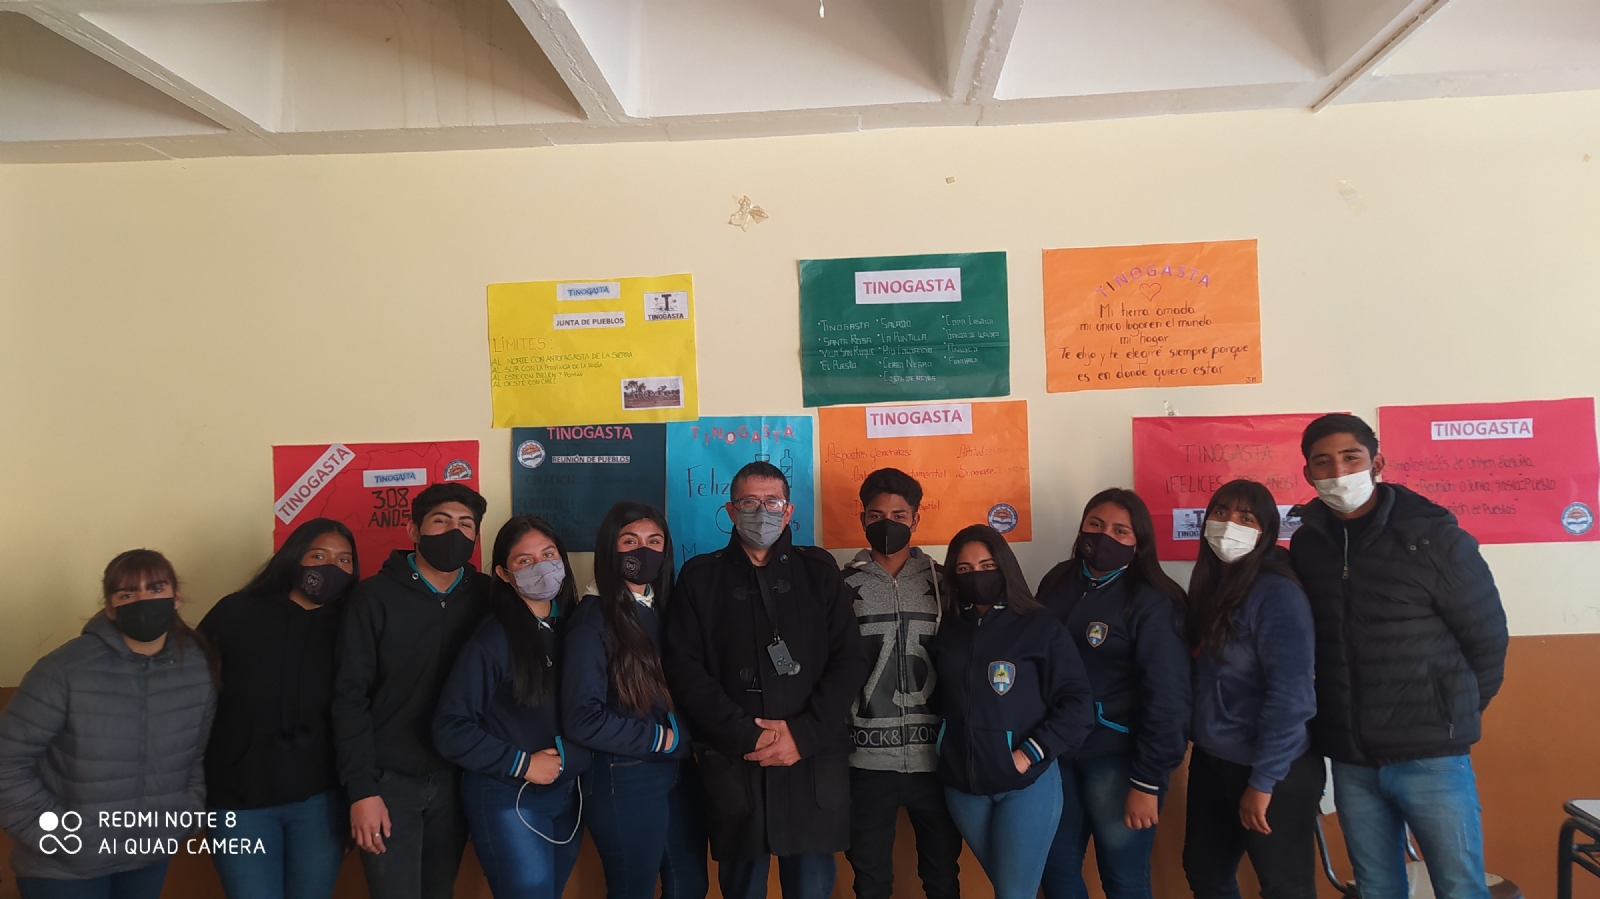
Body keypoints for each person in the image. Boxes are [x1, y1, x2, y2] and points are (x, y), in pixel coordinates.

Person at [1291, 414, 1508, 899]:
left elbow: (1487, 640)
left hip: (1432, 755)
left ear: (1377, 463)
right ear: (1308, 473)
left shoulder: (1434, 538)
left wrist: (1450, 713)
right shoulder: (1308, 545)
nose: (1338, 472)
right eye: (1323, 462)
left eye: (1351, 457)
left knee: (1459, 887)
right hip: (1351, 758)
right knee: (1376, 887)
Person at [665, 461, 868, 899]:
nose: (762, 512)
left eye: (772, 502)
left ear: (789, 510)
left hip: (811, 761)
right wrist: (745, 734)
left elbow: (849, 661)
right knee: (742, 889)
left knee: (812, 888)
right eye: (749, 502)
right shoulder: (699, 577)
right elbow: (684, 668)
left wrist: (803, 735)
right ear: (731, 510)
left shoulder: (819, 571)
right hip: (736, 759)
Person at [0, 549, 217, 899]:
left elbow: (196, 756)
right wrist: (60, 835)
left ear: (176, 596)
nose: (143, 601)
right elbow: (7, 763)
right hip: (63, 870)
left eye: (156, 588)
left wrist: (182, 818)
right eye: (128, 594)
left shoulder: (195, 667)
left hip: (147, 858)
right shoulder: (63, 670)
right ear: (110, 607)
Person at [332, 483, 492, 899]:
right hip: (388, 782)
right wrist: (362, 790)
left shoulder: (488, 595)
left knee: (440, 891)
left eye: (466, 524)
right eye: (441, 521)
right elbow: (349, 698)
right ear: (413, 530)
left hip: (457, 777)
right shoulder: (373, 597)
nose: (454, 532)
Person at [1035, 488, 1191, 899]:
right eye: (1096, 524)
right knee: (1055, 872)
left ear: (1139, 542)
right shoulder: (1057, 580)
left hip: (1119, 761)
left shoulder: (1154, 600)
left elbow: (1169, 698)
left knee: (1123, 880)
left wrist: (1147, 782)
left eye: (1121, 530)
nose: (1105, 536)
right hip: (1057, 754)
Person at [930, 525, 1094, 899]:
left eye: (987, 565)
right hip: (964, 788)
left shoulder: (1040, 626)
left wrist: (1026, 755)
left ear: (1004, 566)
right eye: (965, 569)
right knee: (1011, 889)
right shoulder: (949, 629)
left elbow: (1077, 705)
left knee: (1014, 892)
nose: (976, 576)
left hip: (1026, 783)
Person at [199, 518, 360, 899]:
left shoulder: (352, 625)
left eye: (343, 560)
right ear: (292, 557)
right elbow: (189, 694)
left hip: (320, 803)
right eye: (318, 556)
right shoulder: (236, 612)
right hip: (238, 801)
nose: (331, 567)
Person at [433, 515, 591, 899]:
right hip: (509, 796)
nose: (541, 567)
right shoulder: (492, 639)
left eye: (548, 554)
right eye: (525, 560)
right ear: (504, 574)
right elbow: (449, 727)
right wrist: (522, 764)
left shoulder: (574, 628)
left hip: (567, 794)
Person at [1179, 480, 1323, 899]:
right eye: (1221, 513)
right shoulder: (1210, 587)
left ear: (1266, 531)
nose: (1229, 525)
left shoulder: (1277, 592)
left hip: (1272, 766)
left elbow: (1292, 696)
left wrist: (1263, 782)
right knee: (1204, 872)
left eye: (1246, 518)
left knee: (1284, 887)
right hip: (1213, 759)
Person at [562, 501, 707, 899]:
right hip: (624, 776)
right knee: (633, 889)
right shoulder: (591, 620)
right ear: (610, 547)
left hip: (677, 771)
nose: (644, 550)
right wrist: (660, 738)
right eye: (630, 541)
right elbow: (581, 718)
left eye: (654, 541)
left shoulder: (661, 608)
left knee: (690, 884)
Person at [841, 468, 961, 899]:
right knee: (870, 879)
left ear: (916, 519)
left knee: (942, 875)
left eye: (898, 515)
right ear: (862, 519)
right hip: (864, 761)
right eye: (876, 515)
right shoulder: (839, 586)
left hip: (937, 760)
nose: (887, 523)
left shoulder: (945, 582)